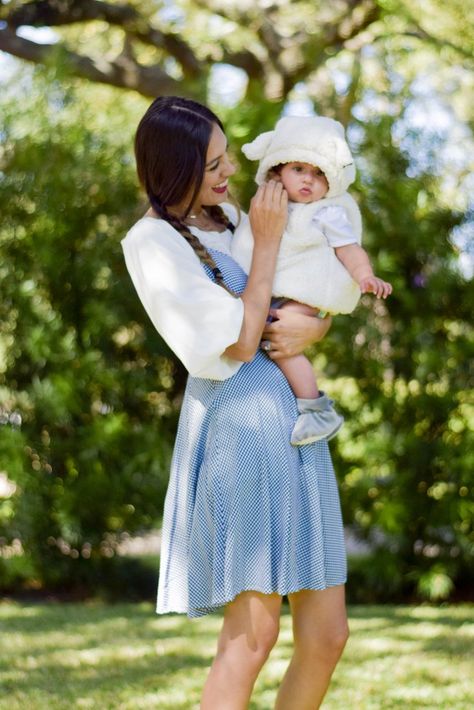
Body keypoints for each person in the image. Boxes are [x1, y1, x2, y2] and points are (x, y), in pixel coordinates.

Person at [121, 96, 349, 710]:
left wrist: (316, 328)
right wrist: (268, 242)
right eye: (213, 165)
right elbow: (242, 341)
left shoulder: (231, 216)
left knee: (328, 636)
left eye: (227, 158)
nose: (229, 175)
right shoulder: (152, 243)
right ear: (172, 170)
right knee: (254, 637)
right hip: (239, 432)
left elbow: (300, 298)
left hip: (296, 430)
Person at [232, 115, 392, 446]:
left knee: (284, 348)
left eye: (319, 174)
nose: (309, 180)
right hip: (268, 292)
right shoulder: (267, 204)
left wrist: (365, 276)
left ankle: (317, 409)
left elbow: (350, 250)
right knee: (271, 344)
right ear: (277, 171)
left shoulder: (326, 212)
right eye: (299, 170)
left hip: (301, 295)